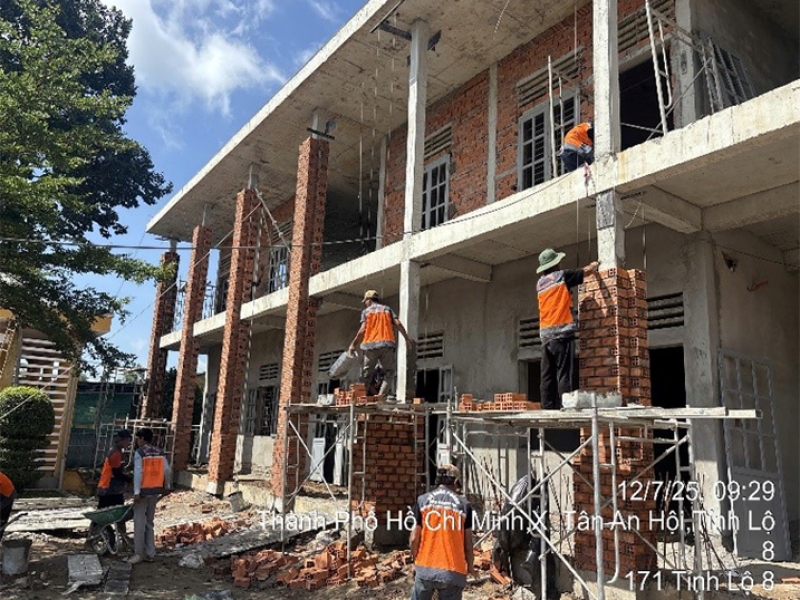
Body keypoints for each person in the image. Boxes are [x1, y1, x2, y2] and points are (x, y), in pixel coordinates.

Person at [536, 248, 599, 409]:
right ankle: (567, 406)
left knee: (547, 375)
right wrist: (595, 264)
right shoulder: (561, 276)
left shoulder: (540, 283)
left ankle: (547, 407)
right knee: (564, 373)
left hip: (545, 336)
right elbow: (585, 272)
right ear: (555, 264)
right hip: (562, 333)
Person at [410, 464, 475, 600]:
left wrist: (415, 561)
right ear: (456, 482)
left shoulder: (422, 501)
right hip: (453, 572)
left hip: (424, 569)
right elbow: (468, 544)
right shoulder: (464, 505)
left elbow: (414, 538)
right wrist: (470, 567)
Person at [348, 290, 414, 401]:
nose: (365, 303)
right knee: (389, 373)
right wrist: (406, 338)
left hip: (370, 347)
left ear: (369, 300)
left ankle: (359, 397)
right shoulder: (387, 309)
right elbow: (397, 323)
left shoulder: (366, 312)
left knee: (366, 374)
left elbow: (362, 330)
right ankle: (381, 396)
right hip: (386, 345)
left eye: (365, 301)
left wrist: (353, 344)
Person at [128, 428, 172, 565]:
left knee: (139, 522)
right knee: (149, 522)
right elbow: (167, 469)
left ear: (141, 438)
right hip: (155, 491)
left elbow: (138, 473)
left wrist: (136, 492)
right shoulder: (160, 452)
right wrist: (167, 486)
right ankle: (150, 553)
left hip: (142, 492)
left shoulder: (140, 453)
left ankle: (138, 553)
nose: (137, 441)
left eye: (137, 439)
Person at [97, 429, 133, 549]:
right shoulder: (116, 453)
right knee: (102, 516)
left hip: (113, 489)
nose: (129, 443)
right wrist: (128, 479)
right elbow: (116, 473)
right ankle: (91, 539)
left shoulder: (117, 451)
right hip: (108, 489)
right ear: (123, 440)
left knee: (119, 515)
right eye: (128, 440)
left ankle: (124, 538)